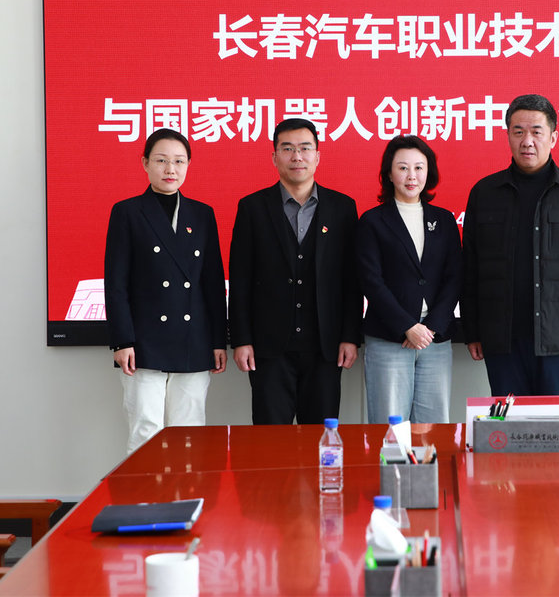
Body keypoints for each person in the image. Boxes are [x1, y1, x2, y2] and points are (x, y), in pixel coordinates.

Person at [461, 94, 559, 396]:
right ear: (508, 136)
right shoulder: (485, 192)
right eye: (518, 132)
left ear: (553, 137)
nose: (527, 141)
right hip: (502, 339)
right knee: (508, 423)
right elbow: (470, 268)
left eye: (536, 132)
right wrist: (471, 330)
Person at [228, 118, 361, 424]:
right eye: (287, 149)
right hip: (268, 347)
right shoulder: (252, 208)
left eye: (305, 148)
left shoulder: (342, 208)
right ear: (274, 157)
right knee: (270, 439)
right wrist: (241, 339)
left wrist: (350, 336)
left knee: (322, 436)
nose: (297, 156)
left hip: (326, 346)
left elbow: (351, 281)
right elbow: (241, 278)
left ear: (318, 155)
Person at [104, 128, 228, 454]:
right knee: (146, 429)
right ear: (145, 163)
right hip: (144, 342)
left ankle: (186, 490)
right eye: (161, 160)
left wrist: (218, 340)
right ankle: (143, 490)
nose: (170, 169)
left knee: (190, 431)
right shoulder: (127, 212)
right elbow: (116, 284)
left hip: (194, 339)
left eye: (179, 161)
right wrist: (122, 340)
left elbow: (212, 284)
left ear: (188, 165)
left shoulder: (202, 214)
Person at [357, 135, 462, 424]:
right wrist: (407, 326)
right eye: (403, 168)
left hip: (434, 339)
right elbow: (370, 280)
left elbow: (454, 276)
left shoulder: (444, 220)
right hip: (389, 337)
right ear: (389, 174)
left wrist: (431, 326)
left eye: (419, 167)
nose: (411, 176)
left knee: (433, 428)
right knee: (390, 427)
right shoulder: (373, 221)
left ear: (429, 173)